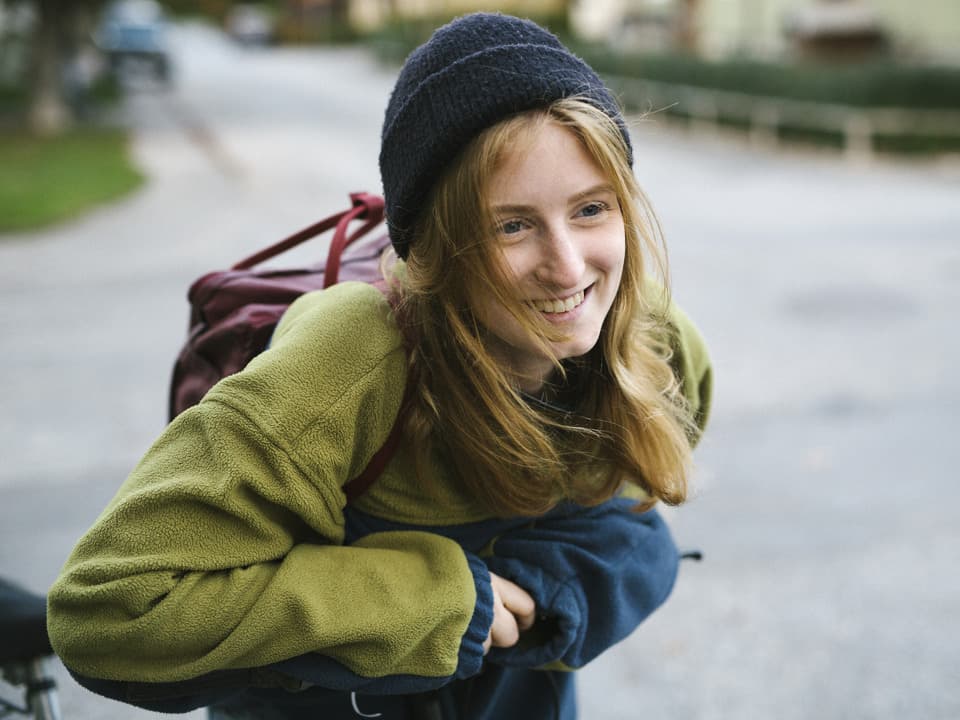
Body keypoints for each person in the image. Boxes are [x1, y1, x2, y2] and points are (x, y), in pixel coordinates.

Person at [47, 12, 712, 720]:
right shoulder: (351, 361)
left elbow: (643, 489)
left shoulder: (651, 341)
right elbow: (109, 610)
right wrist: (435, 604)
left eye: (590, 209)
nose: (568, 267)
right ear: (433, 247)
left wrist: (547, 588)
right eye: (511, 225)